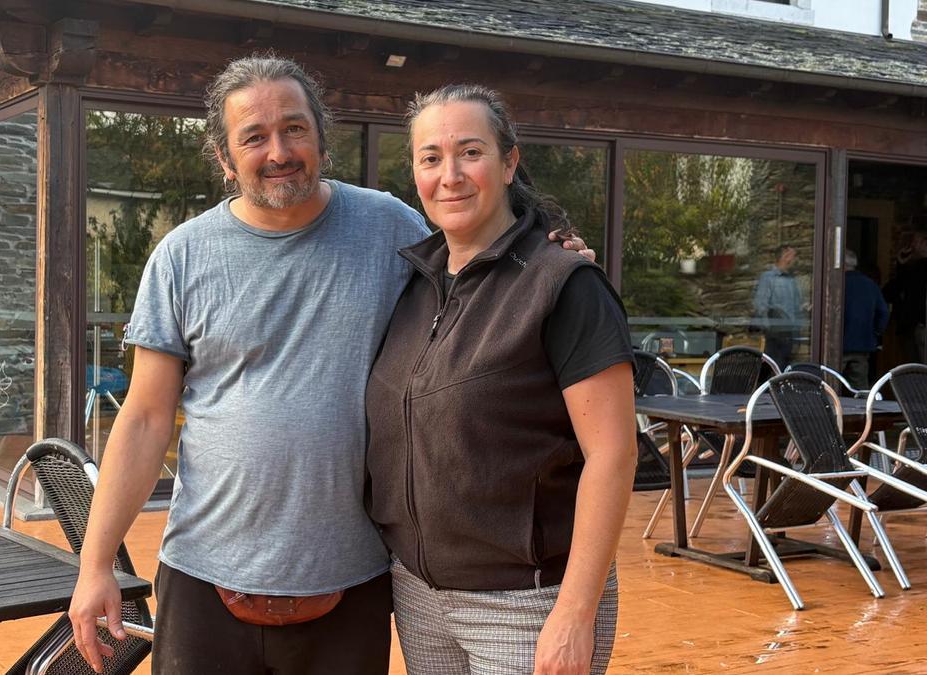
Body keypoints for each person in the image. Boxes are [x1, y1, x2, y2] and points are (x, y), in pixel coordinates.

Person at [68, 56, 593, 675]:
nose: (279, 151)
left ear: (322, 135)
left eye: (294, 129)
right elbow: (144, 418)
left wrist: (550, 248)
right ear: (223, 157)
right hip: (203, 578)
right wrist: (96, 564)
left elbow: (481, 249)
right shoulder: (181, 257)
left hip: (353, 580)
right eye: (254, 137)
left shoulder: (393, 230)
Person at [365, 84, 636, 675]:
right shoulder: (414, 284)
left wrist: (574, 613)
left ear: (509, 161)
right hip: (419, 594)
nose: (451, 175)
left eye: (471, 152)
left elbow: (613, 456)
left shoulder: (564, 284)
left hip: (527, 600)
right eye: (431, 158)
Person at [842, 249, 889, 389]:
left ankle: (830, 410)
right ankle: (862, 410)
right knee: (860, 387)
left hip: (838, 345)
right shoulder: (870, 284)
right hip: (863, 344)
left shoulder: (835, 283)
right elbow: (883, 312)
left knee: (832, 384)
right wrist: (876, 332)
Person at [753, 245, 804, 370]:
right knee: (773, 370)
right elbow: (761, 305)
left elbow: (795, 308)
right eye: (793, 256)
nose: (796, 260)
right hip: (775, 334)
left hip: (789, 334)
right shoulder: (769, 278)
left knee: (784, 370)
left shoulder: (791, 280)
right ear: (785, 257)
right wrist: (768, 330)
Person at [883, 228, 927, 364]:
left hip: (920, 326)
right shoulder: (912, 269)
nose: (911, 247)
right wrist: (902, 265)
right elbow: (889, 293)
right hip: (911, 327)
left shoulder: (919, 267)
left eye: (915, 243)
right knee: (914, 368)